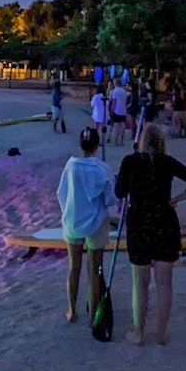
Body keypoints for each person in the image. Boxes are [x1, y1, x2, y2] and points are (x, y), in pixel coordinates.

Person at [115, 123, 186, 345]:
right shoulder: (168, 162)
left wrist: (126, 179)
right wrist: (176, 199)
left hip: (139, 222)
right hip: (164, 222)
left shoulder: (130, 161)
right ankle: (162, 333)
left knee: (140, 282)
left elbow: (119, 192)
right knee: (165, 282)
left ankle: (139, 332)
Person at [57, 128, 115, 322]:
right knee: (94, 270)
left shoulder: (70, 166)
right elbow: (109, 199)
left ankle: (72, 310)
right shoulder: (102, 169)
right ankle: (93, 316)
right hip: (96, 223)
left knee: (74, 267)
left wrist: (68, 211)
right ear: (97, 145)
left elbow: (61, 193)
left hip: (73, 221)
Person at [109, 81, 130, 145]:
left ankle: (116, 141)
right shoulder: (124, 91)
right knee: (123, 125)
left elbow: (114, 102)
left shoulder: (115, 91)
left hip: (117, 110)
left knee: (116, 126)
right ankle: (121, 141)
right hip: (123, 110)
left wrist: (111, 110)